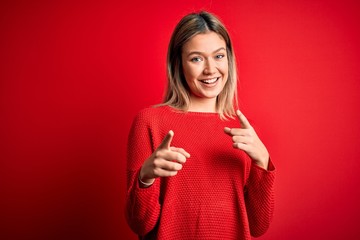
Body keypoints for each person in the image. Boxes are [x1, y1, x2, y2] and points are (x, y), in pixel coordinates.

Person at [125, 11, 275, 240]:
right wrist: (145, 178)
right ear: (178, 63)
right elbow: (140, 225)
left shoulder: (243, 130)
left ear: (229, 59)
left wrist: (262, 162)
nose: (210, 69)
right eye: (196, 58)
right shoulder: (149, 122)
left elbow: (258, 226)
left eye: (219, 56)